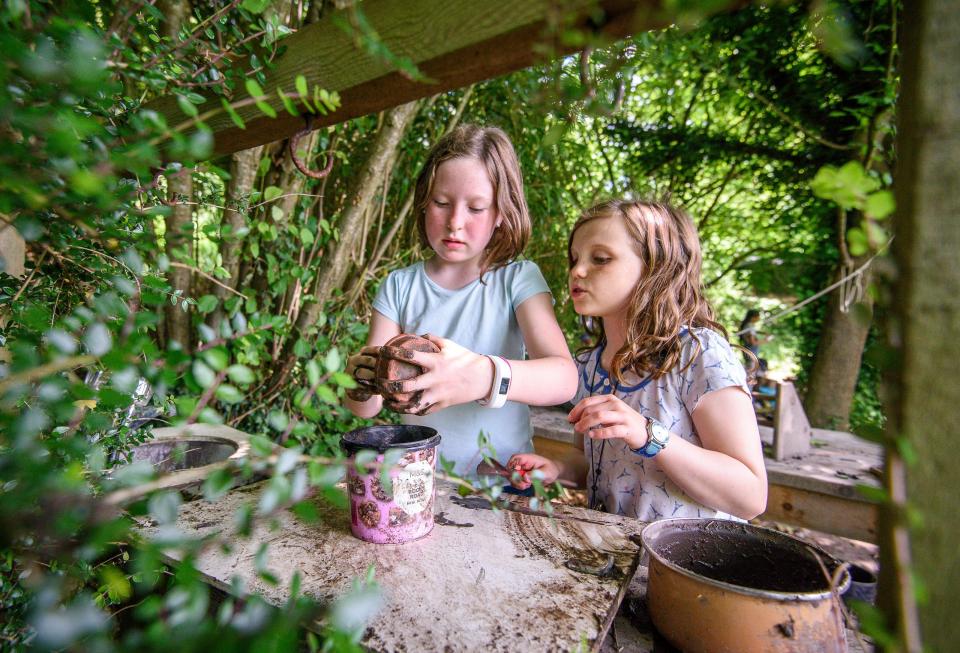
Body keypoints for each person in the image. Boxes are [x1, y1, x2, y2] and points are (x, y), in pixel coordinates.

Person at [507, 199, 767, 522]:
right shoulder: (588, 367)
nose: (577, 270)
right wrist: (557, 469)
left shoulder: (700, 355)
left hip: (690, 565)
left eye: (600, 259)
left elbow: (751, 495)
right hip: (613, 555)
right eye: (574, 259)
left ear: (654, 269)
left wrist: (648, 435)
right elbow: (591, 461)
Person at [344, 125, 578, 476]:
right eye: (441, 203)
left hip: (502, 481)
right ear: (424, 202)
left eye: (477, 208)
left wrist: (481, 376)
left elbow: (563, 379)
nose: (455, 222)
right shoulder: (398, 286)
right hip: (418, 479)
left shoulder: (518, 279)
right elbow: (369, 409)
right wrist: (359, 384)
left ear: (501, 213)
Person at [739, 309, 770, 373]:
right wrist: (765, 340)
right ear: (753, 317)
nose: (759, 318)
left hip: (749, 351)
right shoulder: (749, 325)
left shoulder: (748, 325)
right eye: (758, 316)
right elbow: (752, 342)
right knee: (750, 372)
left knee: (750, 370)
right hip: (751, 352)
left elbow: (752, 332)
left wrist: (762, 333)